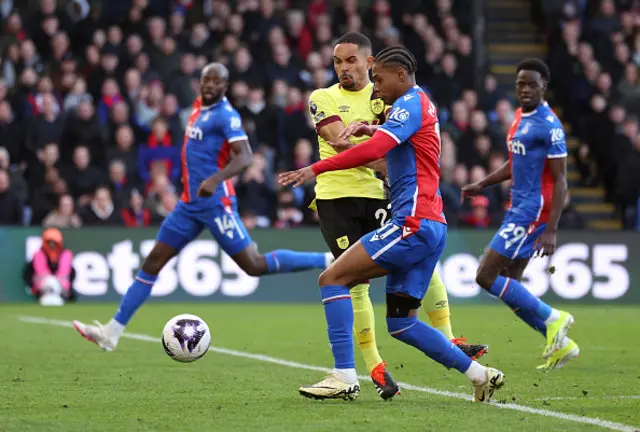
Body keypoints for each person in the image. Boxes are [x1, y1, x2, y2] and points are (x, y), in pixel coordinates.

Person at [280, 46, 504, 403]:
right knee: (402, 324)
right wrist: (372, 127)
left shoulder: (408, 104)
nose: (376, 88)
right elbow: (400, 147)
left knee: (333, 277)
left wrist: (316, 168)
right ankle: (480, 376)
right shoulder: (419, 104)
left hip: (411, 223)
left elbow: (372, 152)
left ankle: (344, 373)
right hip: (432, 224)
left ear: (401, 75)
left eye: (380, 79)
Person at [73, 63, 332, 351]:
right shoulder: (198, 107)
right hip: (188, 205)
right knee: (152, 262)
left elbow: (245, 157)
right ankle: (112, 331)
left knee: (254, 265)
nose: (210, 85)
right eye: (206, 80)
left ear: (226, 85)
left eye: (217, 81)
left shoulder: (226, 116)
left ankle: (328, 261)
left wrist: (216, 179)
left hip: (215, 204)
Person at [461, 59, 579, 371]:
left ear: (544, 87)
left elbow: (562, 180)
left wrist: (551, 230)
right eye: (520, 84)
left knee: (485, 276)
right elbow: (516, 163)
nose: (525, 89)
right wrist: (484, 184)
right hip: (519, 207)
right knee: (511, 285)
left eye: (532, 84)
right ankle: (560, 341)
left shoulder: (549, 126)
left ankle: (556, 318)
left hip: (533, 211)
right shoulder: (519, 117)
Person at [23, 228, 76, 306]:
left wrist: (65, 287)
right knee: (50, 281)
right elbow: (28, 274)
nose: (51, 245)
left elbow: (70, 274)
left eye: (54, 242)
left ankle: (60, 298)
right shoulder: (39, 255)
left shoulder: (65, 254)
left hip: (61, 288)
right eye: (49, 242)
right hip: (43, 289)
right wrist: (35, 288)